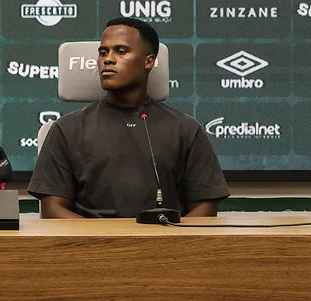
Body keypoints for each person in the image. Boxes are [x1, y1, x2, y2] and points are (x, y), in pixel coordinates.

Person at [28, 17, 230, 218]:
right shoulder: (66, 129)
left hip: (167, 245)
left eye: (121, 51)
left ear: (148, 61)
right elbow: (53, 209)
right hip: (92, 248)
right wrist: (103, 246)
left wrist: (170, 246)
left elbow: (205, 207)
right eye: (103, 52)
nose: (108, 59)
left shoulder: (185, 129)